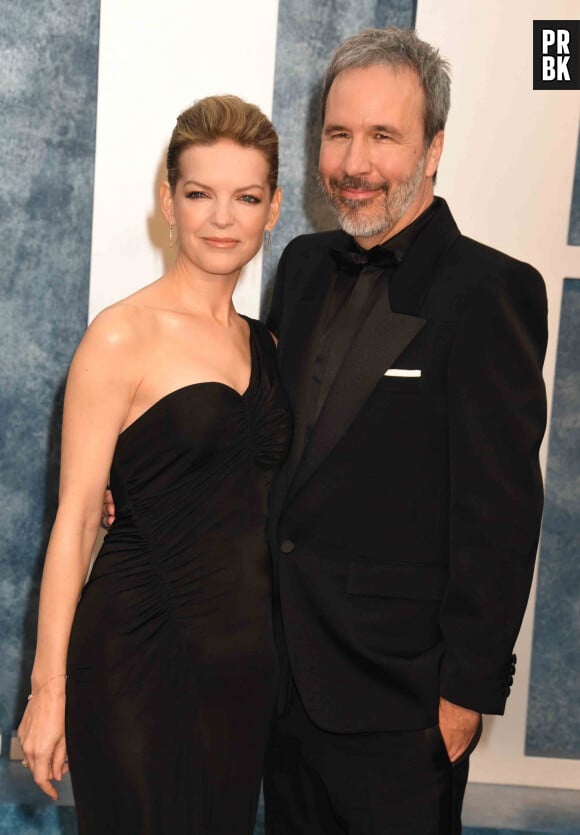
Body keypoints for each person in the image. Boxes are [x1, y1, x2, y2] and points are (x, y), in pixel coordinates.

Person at [262, 28, 547, 834]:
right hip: (284, 685)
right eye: (338, 133)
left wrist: (467, 693)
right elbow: (275, 445)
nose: (355, 163)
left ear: (434, 149)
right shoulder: (305, 267)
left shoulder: (490, 291)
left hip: (404, 701)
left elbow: (500, 510)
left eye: (384, 136)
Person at [18, 94, 289, 835]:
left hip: (242, 670)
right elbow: (75, 521)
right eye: (199, 193)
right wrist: (49, 691)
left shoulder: (269, 348)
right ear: (168, 201)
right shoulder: (120, 337)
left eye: (246, 197)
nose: (222, 218)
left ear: (273, 208)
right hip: (136, 654)